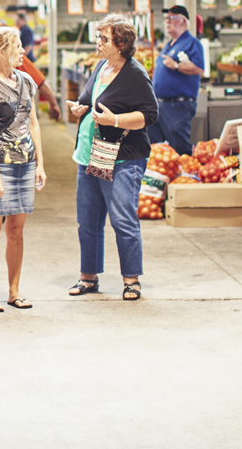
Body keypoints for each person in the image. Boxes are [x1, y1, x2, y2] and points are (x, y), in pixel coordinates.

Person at [66, 15, 159, 302]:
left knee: (122, 219)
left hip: (122, 159)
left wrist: (115, 119)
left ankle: (131, 280)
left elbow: (150, 115)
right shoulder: (100, 66)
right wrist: (79, 107)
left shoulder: (134, 74)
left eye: (104, 39)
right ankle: (88, 276)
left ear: (120, 44)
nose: (99, 43)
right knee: (88, 220)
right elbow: (87, 98)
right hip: (89, 156)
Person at [0, 27, 46, 314]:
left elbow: (33, 124)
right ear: (2, 50)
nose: (23, 51)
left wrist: (40, 163)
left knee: (17, 230)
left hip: (25, 165)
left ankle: (14, 290)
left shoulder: (26, 81)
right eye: (18, 46)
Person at [148, 5, 206, 157]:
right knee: (157, 146)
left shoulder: (192, 43)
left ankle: (186, 175)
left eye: (172, 18)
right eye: (167, 19)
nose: (168, 22)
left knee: (178, 145)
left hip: (177, 105)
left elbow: (199, 68)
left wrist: (176, 66)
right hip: (160, 104)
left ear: (184, 22)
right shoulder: (169, 45)